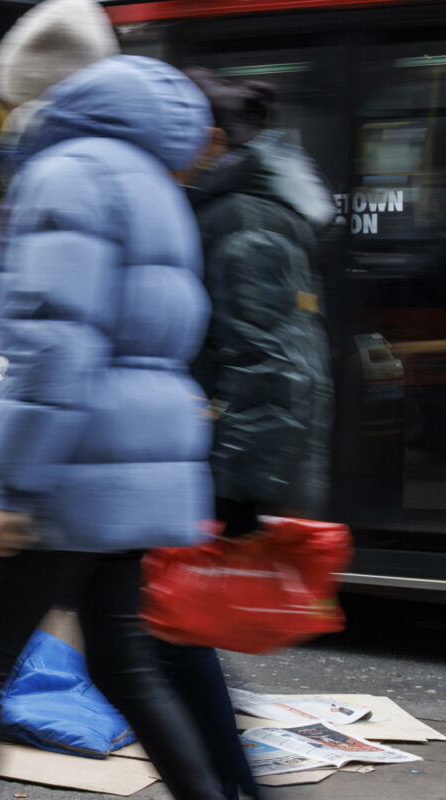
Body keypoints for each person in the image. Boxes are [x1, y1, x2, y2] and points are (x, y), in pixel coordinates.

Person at [0, 7, 230, 800]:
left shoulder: (62, 174)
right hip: (130, 471)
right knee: (124, 668)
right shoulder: (152, 179)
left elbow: (51, 346)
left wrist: (9, 490)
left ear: (33, 96)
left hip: (67, 473)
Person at [150, 67, 337, 800]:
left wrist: (230, 485)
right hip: (220, 452)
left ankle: (230, 787)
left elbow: (267, 359)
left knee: (165, 636)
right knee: (169, 636)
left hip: (224, 460)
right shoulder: (237, 207)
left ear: (213, 140)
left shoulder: (243, 217)